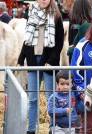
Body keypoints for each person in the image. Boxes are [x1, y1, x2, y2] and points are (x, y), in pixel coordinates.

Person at [17, 0, 64, 133]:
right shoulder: (31, 14)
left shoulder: (56, 16)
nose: (43, 0)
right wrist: (21, 59)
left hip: (49, 62)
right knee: (32, 98)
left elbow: (59, 43)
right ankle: (31, 129)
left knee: (51, 97)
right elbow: (27, 40)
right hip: (33, 60)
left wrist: (51, 60)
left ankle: (53, 128)